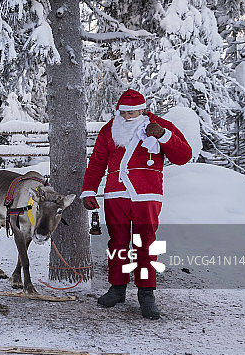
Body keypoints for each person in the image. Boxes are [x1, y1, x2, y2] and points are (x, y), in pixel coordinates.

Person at [80, 89, 192, 319]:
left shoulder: (159, 124)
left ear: (143, 109)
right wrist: (89, 189)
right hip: (115, 194)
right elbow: (97, 162)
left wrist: (163, 136)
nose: (128, 116)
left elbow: (184, 156)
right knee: (117, 244)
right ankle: (118, 288)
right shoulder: (110, 129)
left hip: (147, 195)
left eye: (133, 112)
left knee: (145, 243)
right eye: (124, 112)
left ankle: (146, 293)